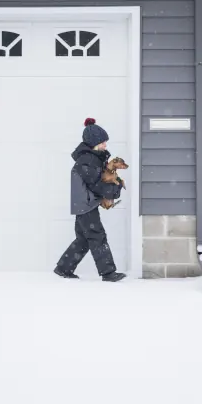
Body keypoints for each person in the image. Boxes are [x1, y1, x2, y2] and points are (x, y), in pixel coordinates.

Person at [54, 118, 126, 282]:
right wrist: (115, 190)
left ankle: (63, 268)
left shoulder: (93, 158)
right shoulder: (88, 160)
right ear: (93, 143)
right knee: (97, 236)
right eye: (102, 142)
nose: (105, 145)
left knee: (84, 239)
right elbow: (96, 184)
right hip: (85, 205)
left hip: (84, 204)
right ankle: (108, 273)